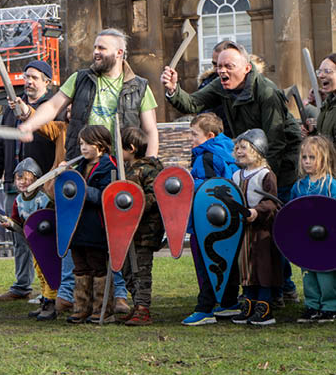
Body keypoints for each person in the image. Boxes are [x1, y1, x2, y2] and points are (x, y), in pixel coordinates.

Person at [161, 40, 301, 196]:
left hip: (284, 161)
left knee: (274, 206)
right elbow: (192, 104)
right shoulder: (220, 84)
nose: (222, 71)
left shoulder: (266, 92)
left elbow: (276, 143)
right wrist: (173, 89)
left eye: (229, 66)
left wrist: (262, 177)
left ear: (247, 68)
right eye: (219, 66)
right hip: (252, 156)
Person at [0, 60, 66, 302]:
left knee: (46, 233)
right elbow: (0, 145)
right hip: (15, 180)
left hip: (45, 182)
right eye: (26, 76)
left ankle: (52, 286)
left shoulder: (55, 108)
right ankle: (22, 285)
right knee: (20, 234)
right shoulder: (11, 109)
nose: (28, 81)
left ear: (46, 82)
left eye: (34, 77)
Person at [18, 28, 160, 160]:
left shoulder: (139, 87)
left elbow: (151, 131)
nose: (96, 52)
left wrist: (148, 165)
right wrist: (31, 125)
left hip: (123, 166)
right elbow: (53, 106)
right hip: (84, 165)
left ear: (119, 53)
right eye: (95, 48)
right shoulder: (79, 79)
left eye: (102, 48)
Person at [180, 113, 241, 326]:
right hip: (228, 221)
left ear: (210, 135)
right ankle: (228, 302)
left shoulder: (207, 156)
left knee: (205, 262)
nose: (191, 139)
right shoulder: (229, 152)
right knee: (226, 260)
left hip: (207, 221)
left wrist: (188, 185)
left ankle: (204, 308)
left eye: (194, 134)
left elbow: (207, 189)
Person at [228, 129, 281, 326]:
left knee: (263, 266)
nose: (239, 151)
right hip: (243, 231)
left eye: (244, 147)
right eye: (237, 147)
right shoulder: (236, 175)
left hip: (262, 230)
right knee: (245, 266)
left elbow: (271, 201)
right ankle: (248, 301)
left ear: (256, 150)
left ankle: (264, 305)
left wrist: (256, 212)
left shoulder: (266, 174)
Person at [65, 126, 117, 324]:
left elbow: (107, 196)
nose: (83, 147)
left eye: (87, 143)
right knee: (80, 267)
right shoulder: (80, 166)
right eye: (81, 143)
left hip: (96, 225)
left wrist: (80, 189)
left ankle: (102, 309)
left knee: (98, 267)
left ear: (101, 146)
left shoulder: (109, 167)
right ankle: (81, 307)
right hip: (77, 225)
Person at [1, 157, 57, 320]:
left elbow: (50, 219)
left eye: (27, 178)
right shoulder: (18, 201)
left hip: (47, 244)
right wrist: (10, 224)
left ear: (36, 179)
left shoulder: (44, 199)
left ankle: (51, 302)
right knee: (39, 273)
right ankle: (44, 301)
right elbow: (17, 220)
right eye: (19, 178)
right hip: (33, 244)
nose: (23, 182)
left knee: (48, 273)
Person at [118, 127, 164, 326]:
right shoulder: (126, 169)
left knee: (141, 271)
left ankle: (143, 309)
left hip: (145, 231)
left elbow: (155, 197)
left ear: (131, 148)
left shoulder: (149, 169)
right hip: (128, 231)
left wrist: (134, 203)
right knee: (127, 269)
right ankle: (137, 304)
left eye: (120, 147)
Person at [291, 136, 336, 322]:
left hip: (327, 241)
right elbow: (292, 212)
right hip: (307, 240)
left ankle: (330, 306)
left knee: (326, 275)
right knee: (308, 273)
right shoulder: (299, 186)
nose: (307, 161)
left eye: (312, 157)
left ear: (324, 159)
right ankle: (312, 305)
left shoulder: (331, 185)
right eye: (304, 157)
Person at [312, 54, 336, 143]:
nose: (321, 76)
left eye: (327, 71)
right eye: (319, 71)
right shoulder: (328, 102)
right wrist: (313, 132)